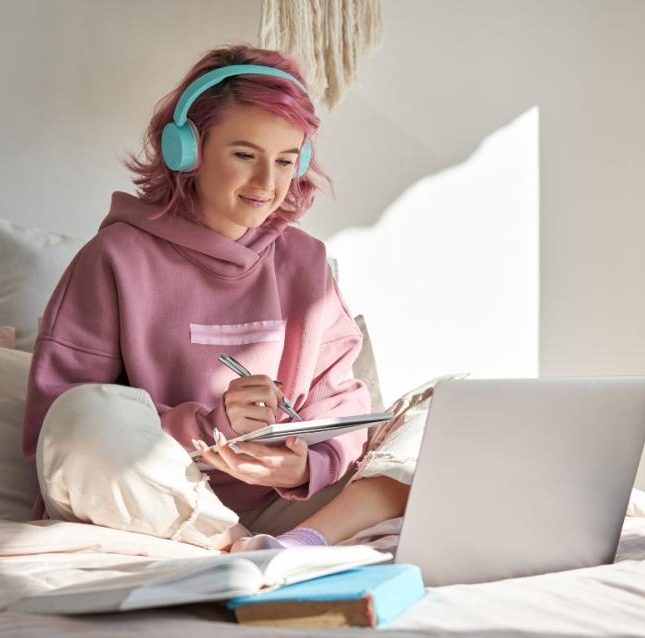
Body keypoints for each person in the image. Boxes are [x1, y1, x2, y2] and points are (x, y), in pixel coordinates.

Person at [22, 44, 413, 551]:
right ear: (187, 150)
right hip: (154, 501)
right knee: (82, 416)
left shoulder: (307, 262)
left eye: (285, 160)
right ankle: (235, 547)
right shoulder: (114, 257)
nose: (267, 183)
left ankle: (296, 547)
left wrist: (305, 467)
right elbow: (58, 429)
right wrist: (212, 427)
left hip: (283, 509)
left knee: (435, 411)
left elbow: (340, 400)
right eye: (245, 155)